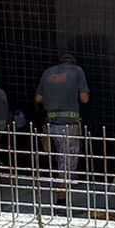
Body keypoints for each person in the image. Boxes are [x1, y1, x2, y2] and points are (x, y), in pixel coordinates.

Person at [35, 51, 90, 199]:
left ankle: (63, 189)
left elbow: (38, 98)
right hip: (69, 124)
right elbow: (84, 98)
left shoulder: (47, 72)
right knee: (67, 160)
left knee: (60, 157)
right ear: (73, 62)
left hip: (51, 124)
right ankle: (61, 198)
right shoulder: (77, 71)